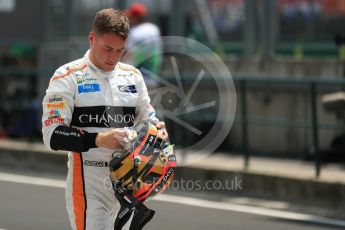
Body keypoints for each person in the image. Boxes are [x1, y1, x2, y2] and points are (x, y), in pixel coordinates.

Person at [41, 8, 168, 230]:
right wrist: (99, 139)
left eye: (120, 50)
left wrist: (157, 131)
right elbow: (52, 136)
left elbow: (148, 121)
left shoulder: (133, 76)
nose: (113, 57)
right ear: (92, 38)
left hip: (130, 183)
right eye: (107, 48)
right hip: (88, 184)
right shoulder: (67, 76)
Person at [123, 2, 162, 88]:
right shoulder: (154, 28)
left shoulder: (134, 32)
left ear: (136, 18)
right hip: (153, 76)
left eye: (131, 17)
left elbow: (127, 54)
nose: (129, 19)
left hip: (136, 80)